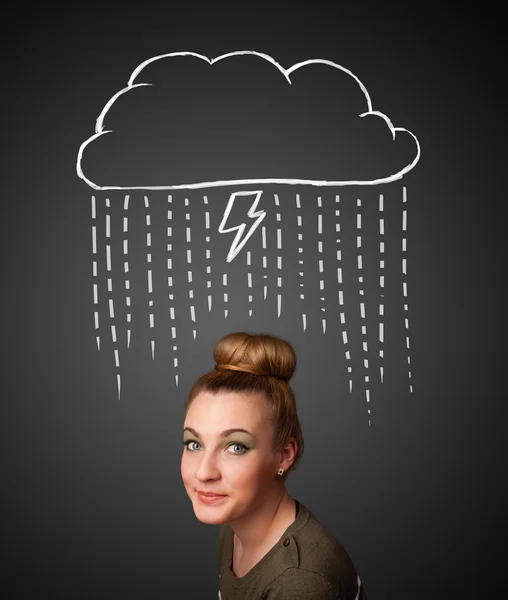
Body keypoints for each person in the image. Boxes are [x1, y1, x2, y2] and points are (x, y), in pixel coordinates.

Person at [181, 332, 367, 599]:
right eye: (194, 444)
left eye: (236, 447)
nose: (204, 472)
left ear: (284, 455)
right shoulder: (235, 520)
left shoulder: (299, 583)